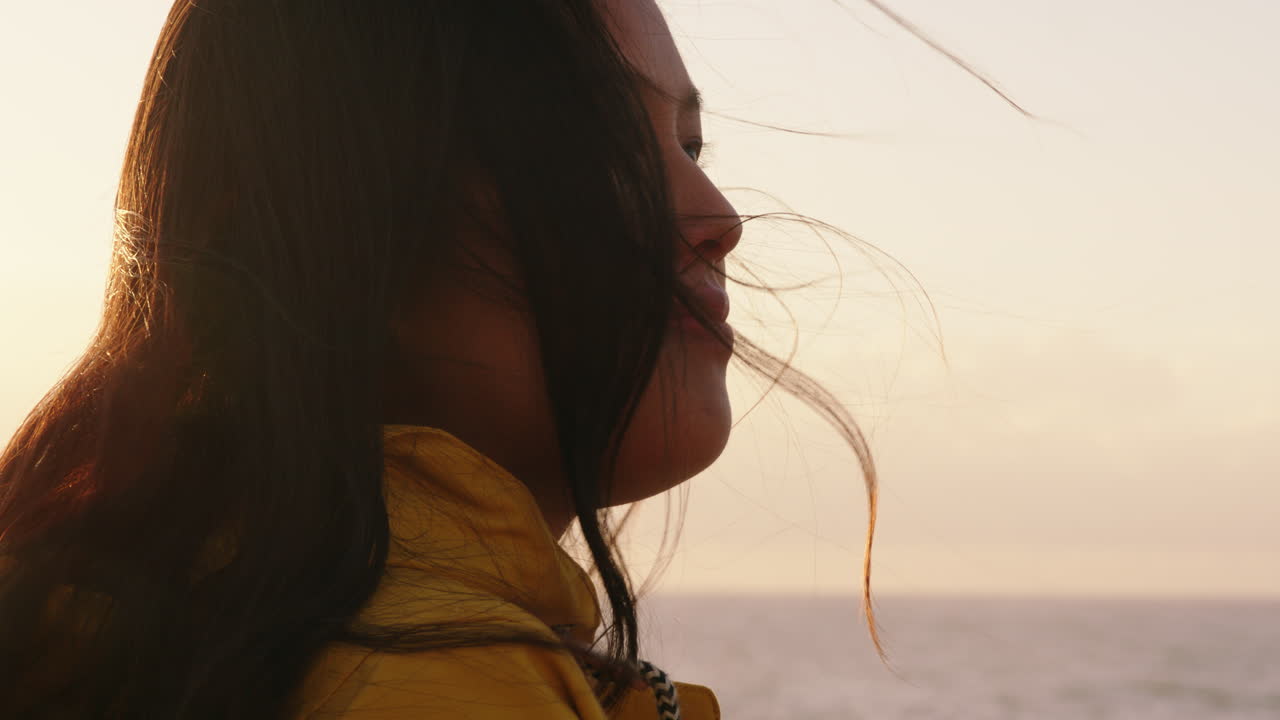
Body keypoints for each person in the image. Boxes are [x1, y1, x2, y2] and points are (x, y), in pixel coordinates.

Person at [0, 0, 879, 717]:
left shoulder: (130, 624)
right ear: (346, 229)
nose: (721, 219)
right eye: (604, 145)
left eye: (689, 147)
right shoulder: (436, 687)